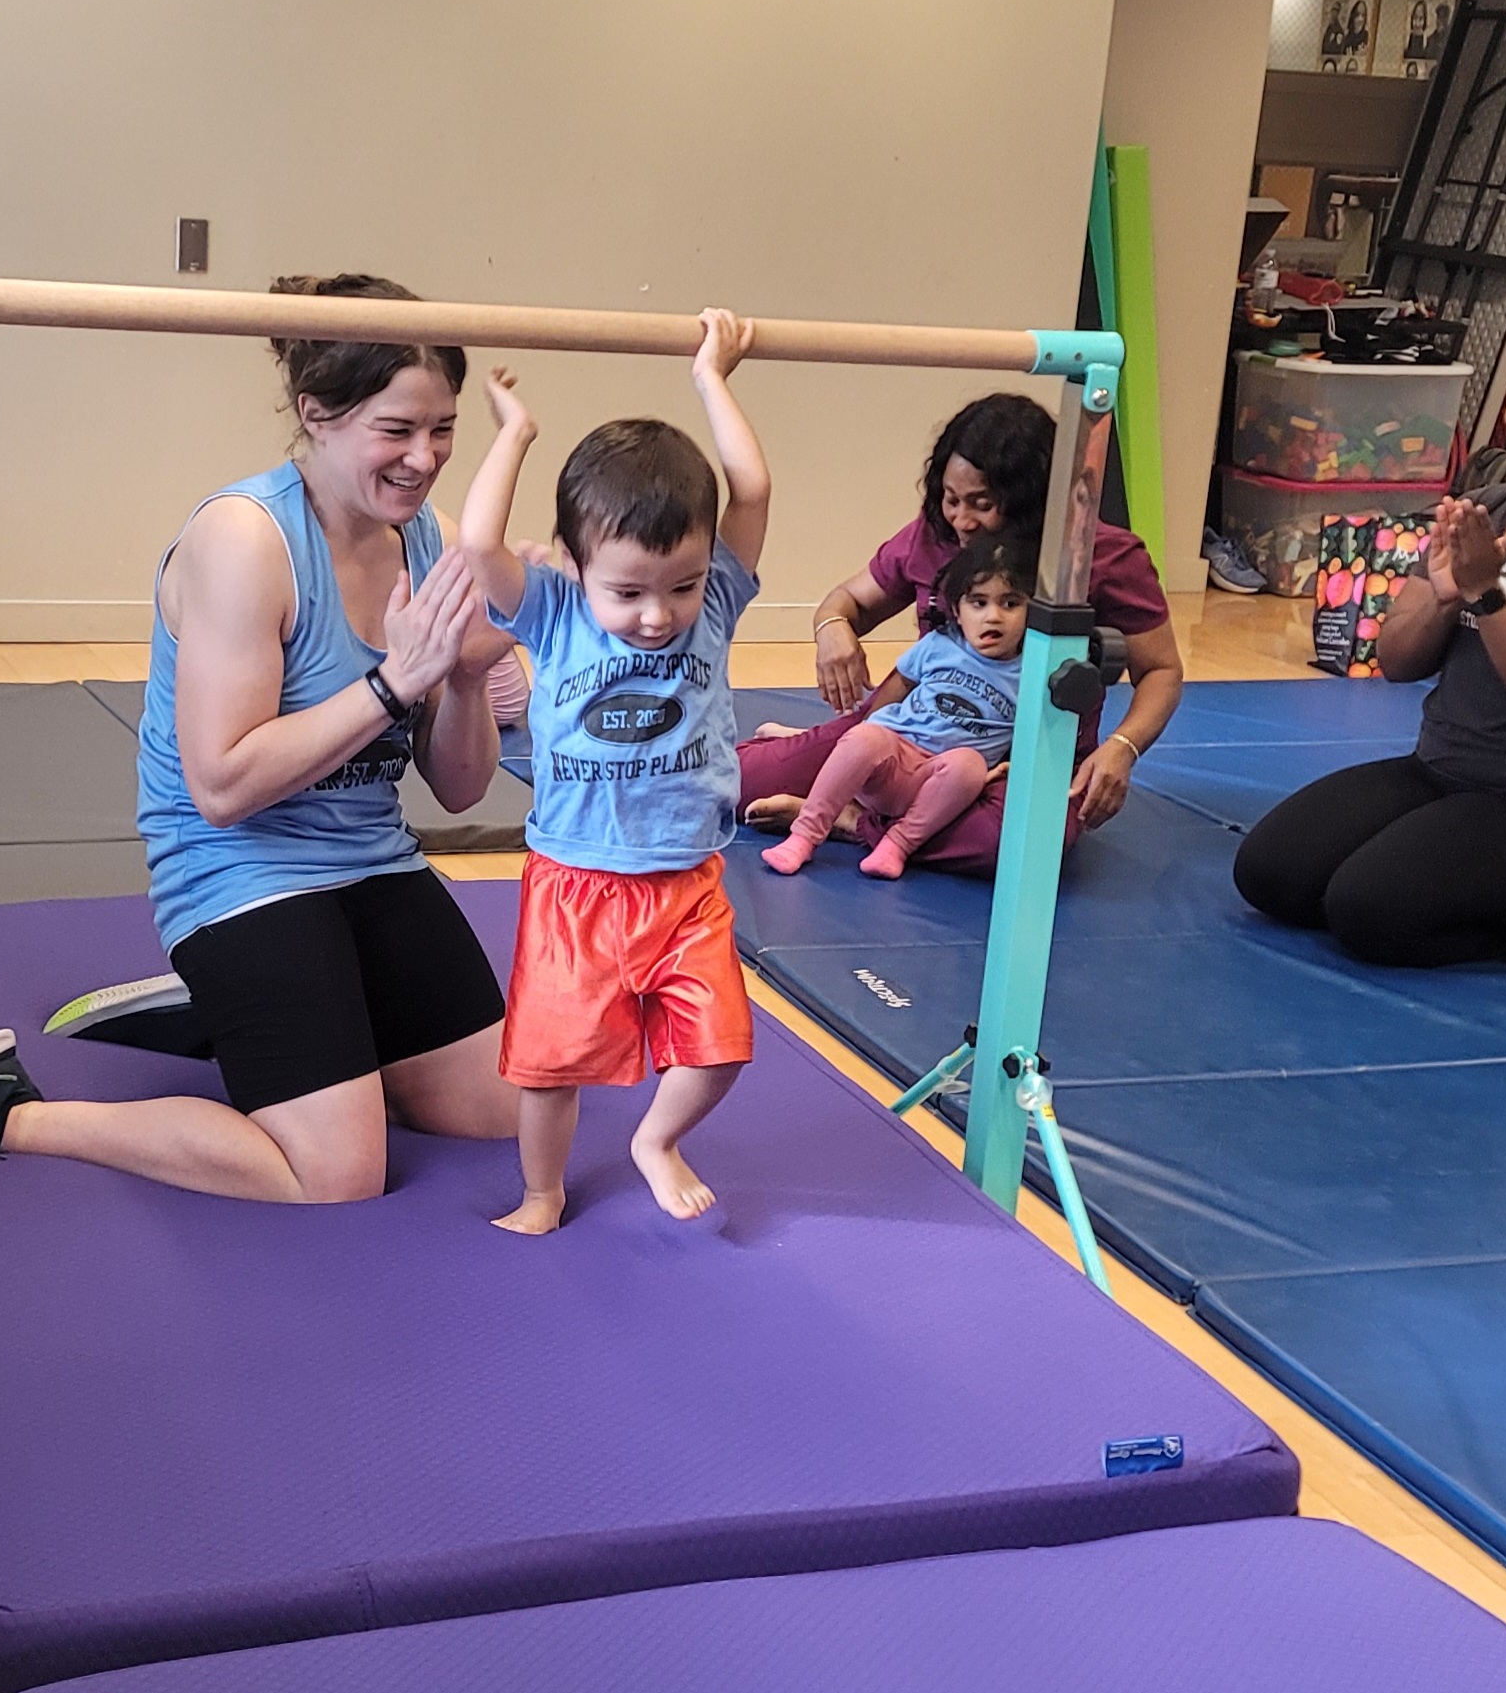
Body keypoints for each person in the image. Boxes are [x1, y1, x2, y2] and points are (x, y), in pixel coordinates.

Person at [0, 274, 520, 1199]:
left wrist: (470, 674)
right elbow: (223, 786)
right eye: (395, 431)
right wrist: (393, 681)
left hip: (370, 860)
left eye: (442, 430)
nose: (424, 458)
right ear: (316, 412)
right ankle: (2, 1109)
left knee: (498, 1114)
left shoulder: (429, 539)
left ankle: (225, 1023)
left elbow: (458, 789)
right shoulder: (245, 541)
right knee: (334, 1172)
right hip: (236, 871)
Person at [456, 313, 769, 1234]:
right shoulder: (552, 613)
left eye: (678, 584)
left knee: (720, 1049)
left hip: (684, 882)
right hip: (575, 883)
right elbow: (480, 545)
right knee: (549, 1064)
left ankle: (655, 1141)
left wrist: (711, 377)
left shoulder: (714, 603)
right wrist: (513, 435)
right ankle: (542, 1192)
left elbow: (747, 487)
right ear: (575, 562)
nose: (654, 615)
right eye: (627, 592)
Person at [1232, 316, 1506, 967]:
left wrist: (1486, 595)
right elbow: (1396, 662)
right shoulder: (1486, 509)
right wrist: (1442, 594)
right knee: (1269, 874)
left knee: (1366, 912)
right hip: (1439, 773)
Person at [739, 392, 1181, 867]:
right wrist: (831, 627)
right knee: (736, 781)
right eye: (952, 500)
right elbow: (847, 601)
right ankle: (857, 801)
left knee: (1015, 843)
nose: (962, 520)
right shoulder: (936, 534)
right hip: (910, 740)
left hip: (1018, 762)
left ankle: (846, 821)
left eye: (982, 504)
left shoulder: (1105, 556)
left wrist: (1123, 746)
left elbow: (1161, 670)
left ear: (1032, 501)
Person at [761, 530, 1032, 879]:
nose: (993, 617)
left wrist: (998, 772)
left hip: (941, 786)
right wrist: (866, 731)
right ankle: (803, 835)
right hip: (892, 762)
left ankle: (896, 846)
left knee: (970, 764)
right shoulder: (940, 644)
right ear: (958, 611)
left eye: (1010, 604)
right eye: (978, 603)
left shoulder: (1030, 671)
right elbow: (901, 683)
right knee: (863, 738)